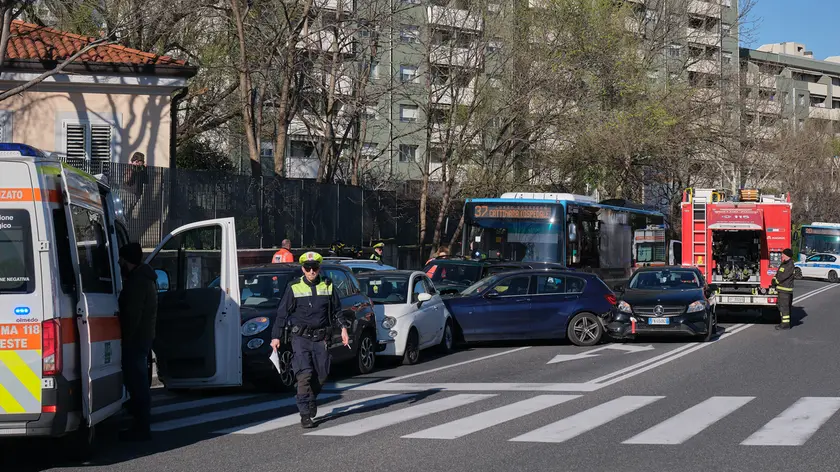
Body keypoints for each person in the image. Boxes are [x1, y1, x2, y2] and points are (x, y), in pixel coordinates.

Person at [270, 252, 351, 428]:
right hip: (300, 338)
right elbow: (282, 314)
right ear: (303, 269)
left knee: (322, 374)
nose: (311, 271)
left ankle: (311, 397)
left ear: (319, 268)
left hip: (321, 337)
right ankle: (305, 413)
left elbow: (336, 311)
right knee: (304, 374)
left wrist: (343, 329)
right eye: (308, 268)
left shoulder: (328, 286)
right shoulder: (294, 287)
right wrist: (276, 336)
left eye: (314, 268)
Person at [117, 242, 158, 441]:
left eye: (121, 260)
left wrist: (124, 337)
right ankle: (140, 421)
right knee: (138, 380)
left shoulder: (138, 281)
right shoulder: (143, 278)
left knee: (137, 381)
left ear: (127, 261)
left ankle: (141, 426)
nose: (118, 263)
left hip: (135, 339)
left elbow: (132, 314)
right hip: (142, 337)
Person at [773, 248, 795, 330]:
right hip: (782, 289)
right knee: (781, 307)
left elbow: (783, 276)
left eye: (783, 254)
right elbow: (779, 273)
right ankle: (783, 322)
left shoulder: (790, 265)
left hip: (785, 290)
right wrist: (775, 278)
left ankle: (785, 325)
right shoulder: (785, 264)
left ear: (787, 255)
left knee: (784, 308)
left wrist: (776, 281)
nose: (782, 255)